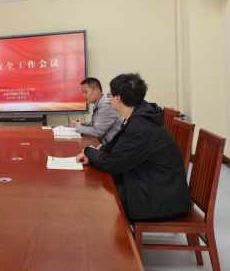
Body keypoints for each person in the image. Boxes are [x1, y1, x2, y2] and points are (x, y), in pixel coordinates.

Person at [77, 73, 192, 220]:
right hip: (155, 184)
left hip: (159, 199)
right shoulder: (139, 116)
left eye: (110, 95)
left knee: (97, 201)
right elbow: (115, 144)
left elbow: (112, 163)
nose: (108, 98)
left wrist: (88, 151)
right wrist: (95, 154)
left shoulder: (140, 126)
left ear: (118, 99)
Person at [72, 77, 123, 145]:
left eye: (85, 92)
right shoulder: (100, 104)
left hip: (111, 148)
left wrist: (79, 127)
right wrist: (82, 124)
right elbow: (96, 123)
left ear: (97, 90)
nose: (83, 95)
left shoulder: (106, 106)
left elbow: (97, 131)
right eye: (82, 92)